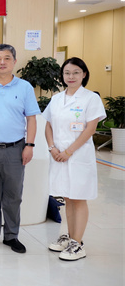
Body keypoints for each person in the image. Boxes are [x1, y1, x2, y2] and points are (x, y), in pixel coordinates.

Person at [0, 43, 40, 253]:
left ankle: (12, 236)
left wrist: (29, 145)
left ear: (14, 61)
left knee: (13, 195)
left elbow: (31, 119)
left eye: (6, 58)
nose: (2, 62)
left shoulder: (25, 87)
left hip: (15, 149)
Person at [43, 57, 105, 261]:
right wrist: (52, 148)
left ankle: (78, 244)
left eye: (76, 72)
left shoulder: (90, 98)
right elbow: (48, 125)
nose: (71, 76)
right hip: (58, 156)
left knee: (79, 197)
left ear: (84, 74)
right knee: (67, 197)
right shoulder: (56, 99)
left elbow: (90, 129)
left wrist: (68, 151)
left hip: (78, 156)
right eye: (67, 73)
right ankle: (70, 238)